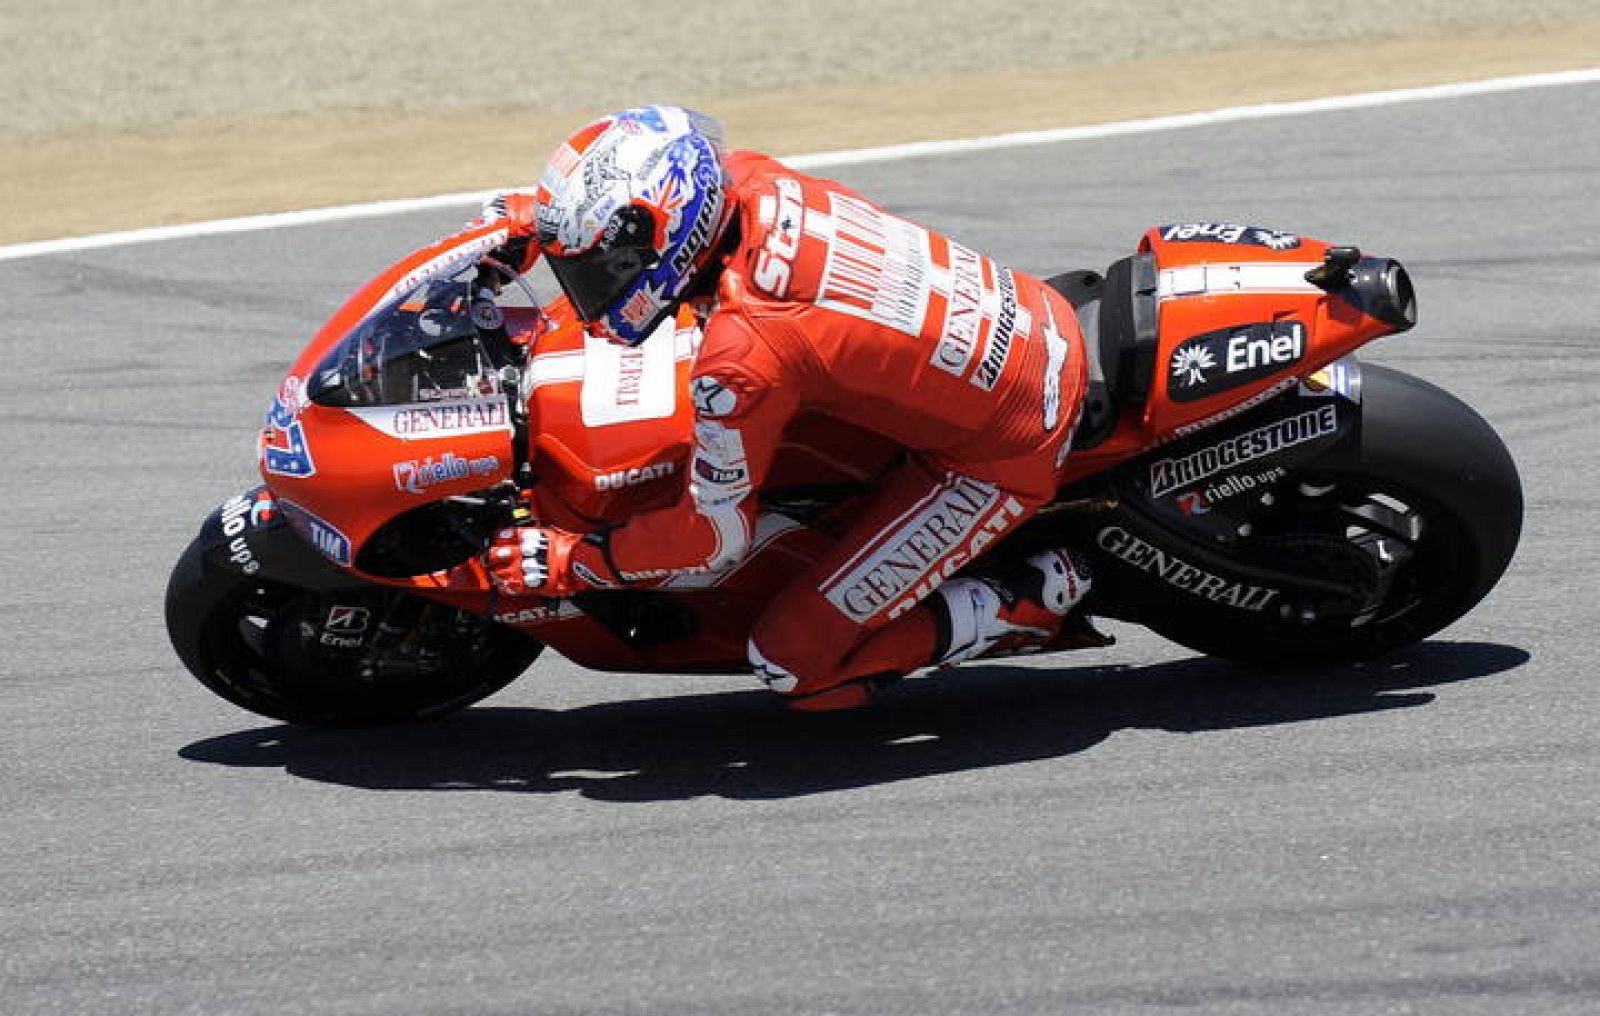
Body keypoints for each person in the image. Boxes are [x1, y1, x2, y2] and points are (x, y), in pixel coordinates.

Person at [484, 104, 1092, 710]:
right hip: (1030, 312)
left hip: (1007, 448)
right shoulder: (752, 178)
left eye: (596, 268)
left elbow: (712, 536)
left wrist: (575, 560)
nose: (590, 286)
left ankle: (1019, 602)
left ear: (664, 235)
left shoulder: (746, 353)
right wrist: (539, 226)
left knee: (794, 663)